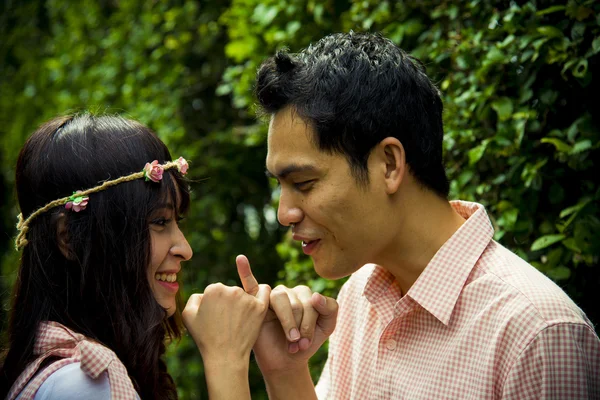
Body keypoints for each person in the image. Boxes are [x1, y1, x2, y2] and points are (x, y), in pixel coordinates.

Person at [250, 31, 600, 399]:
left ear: (388, 164)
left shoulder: (537, 333)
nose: (284, 213)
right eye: (280, 186)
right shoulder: (360, 296)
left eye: (303, 183)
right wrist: (286, 371)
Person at [0, 114, 272, 400]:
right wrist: (226, 359)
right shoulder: (83, 383)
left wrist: (281, 366)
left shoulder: (58, 372)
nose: (185, 248)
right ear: (69, 238)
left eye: (176, 220)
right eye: (159, 222)